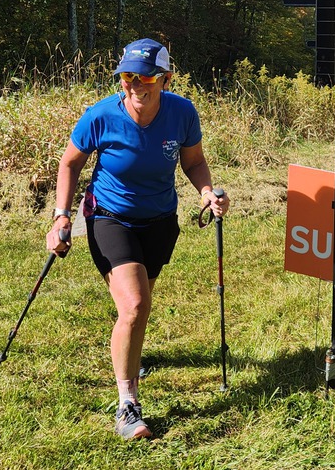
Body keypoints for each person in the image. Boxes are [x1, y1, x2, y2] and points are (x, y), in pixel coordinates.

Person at [46, 38, 229, 441]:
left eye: (144, 76)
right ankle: (127, 404)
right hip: (109, 217)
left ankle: (132, 355)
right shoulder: (100, 116)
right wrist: (61, 216)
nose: (134, 84)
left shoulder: (182, 113)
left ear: (165, 78)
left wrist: (206, 192)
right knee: (135, 305)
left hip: (160, 222)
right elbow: (69, 163)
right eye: (126, 75)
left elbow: (194, 161)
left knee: (139, 303)